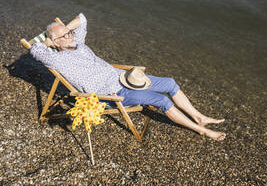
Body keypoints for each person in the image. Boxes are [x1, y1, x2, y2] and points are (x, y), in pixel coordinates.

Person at [30, 13, 226, 141]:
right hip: (113, 93)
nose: (70, 36)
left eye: (69, 33)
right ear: (55, 43)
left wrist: (63, 29)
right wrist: (49, 41)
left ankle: (199, 117)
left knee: (170, 83)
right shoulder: (58, 60)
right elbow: (35, 49)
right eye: (64, 36)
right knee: (161, 100)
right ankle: (202, 130)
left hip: (125, 78)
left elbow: (82, 18)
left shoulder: (78, 42)